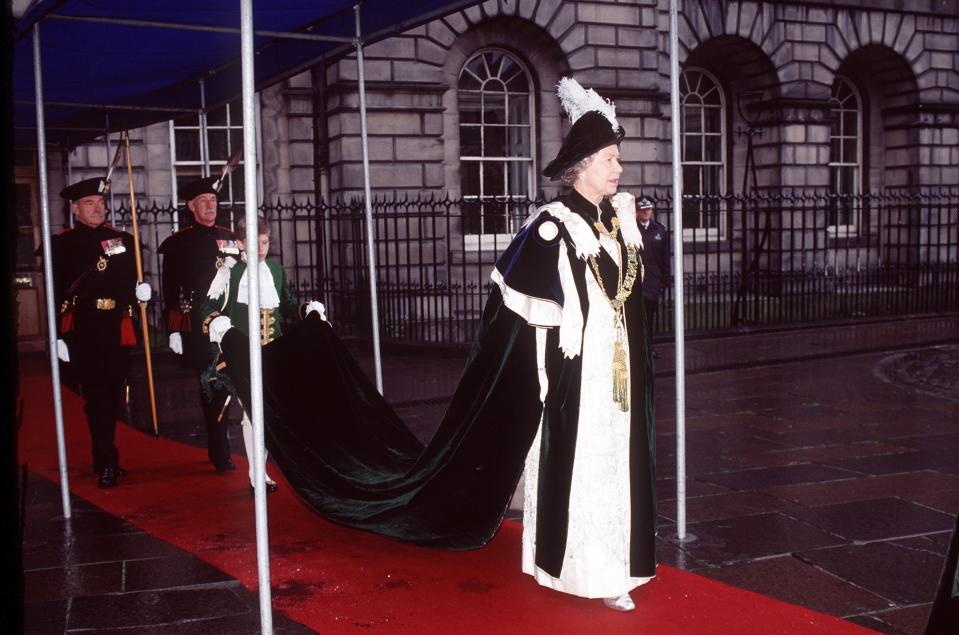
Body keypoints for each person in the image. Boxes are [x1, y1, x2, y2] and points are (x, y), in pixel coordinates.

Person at [207, 78, 655, 613]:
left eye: (617, 158)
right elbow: (515, 313)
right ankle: (582, 568)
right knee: (581, 466)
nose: (618, 169)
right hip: (572, 374)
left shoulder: (618, 221)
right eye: (609, 158)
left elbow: (626, 300)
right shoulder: (552, 228)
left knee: (616, 464)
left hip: (616, 373)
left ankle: (614, 565)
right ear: (582, 165)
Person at [199, 216, 324, 494]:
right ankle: (257, 473)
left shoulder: (276, 270)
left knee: (269, 413)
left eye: (265, 242)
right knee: (252, 414)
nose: (261, 248)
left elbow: (288, 305)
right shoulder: (230, 272)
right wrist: (218, 322)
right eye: (255, 243)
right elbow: (205, 307)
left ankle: (261, 467)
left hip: (274, 352)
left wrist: (307, 309)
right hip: (243, 354)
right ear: (241, 243)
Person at [52, 177, 152, 488]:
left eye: (100, 202)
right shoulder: (63, 244)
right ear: (75, 209)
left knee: (114, 394)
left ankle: (105, 456)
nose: (98, 208)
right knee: (97, 396)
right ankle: (107, 460)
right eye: (89, 204)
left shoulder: (122, 239)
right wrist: (56, 336)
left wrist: (141, 293)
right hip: (85, 328)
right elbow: (56, 293)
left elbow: (129, 281)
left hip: (116, 326)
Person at [157, 176, 239, 473]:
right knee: (213, 386)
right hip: (201, 328)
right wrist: (174, 329)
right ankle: (221, 450)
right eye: (203, 202)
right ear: (191, 207)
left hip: (231, 324)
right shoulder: (179, 243)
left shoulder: (230, 238)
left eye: (213, 201)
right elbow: (171, 292)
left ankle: (223, 445)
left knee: (232, 385)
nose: (209, 206)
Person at [636, 196, 669, 356]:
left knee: (649, 318)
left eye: (648, 209)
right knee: (635, 318)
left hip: (653, 282)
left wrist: (665, 279)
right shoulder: (631, 229)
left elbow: (665, 257)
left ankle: (648, 348)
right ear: (636, 212)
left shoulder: (659, 230)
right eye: (642, 210)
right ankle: (637, 350)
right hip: (635, 281)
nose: (646, 212)